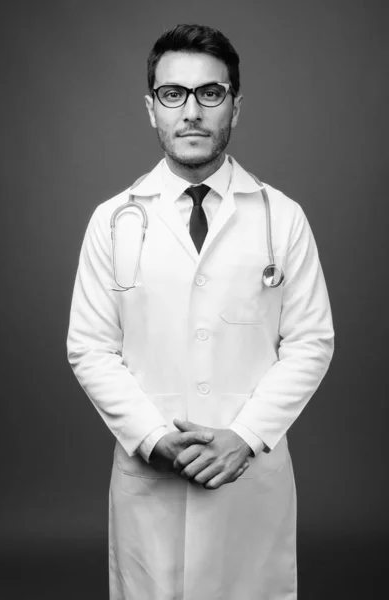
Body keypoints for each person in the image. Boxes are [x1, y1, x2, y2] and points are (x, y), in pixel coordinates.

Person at [67, 23, 334, 600]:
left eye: (210, 93)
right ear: (151, 108)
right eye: (173, 94)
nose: (191, 111)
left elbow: (311, 342)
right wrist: (150, 437)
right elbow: (89, 347)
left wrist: (245, 435)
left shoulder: (282, 217)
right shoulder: (113, 220)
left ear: (235, 106)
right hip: (150, 478)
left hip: (250, 476)